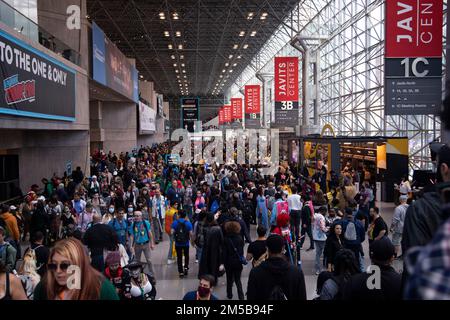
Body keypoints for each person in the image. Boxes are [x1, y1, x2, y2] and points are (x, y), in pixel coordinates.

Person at [33, 238, 119, 300]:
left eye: (65, 266)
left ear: (79, 264)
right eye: (53, 266)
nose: (58, 271)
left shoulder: (101, 288)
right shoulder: (43, 288)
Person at [247, 234, 307, 300]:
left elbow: (251, 297)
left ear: (267, 249)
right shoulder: (297, 272)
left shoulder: (255, 272)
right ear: (283, 248)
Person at [222, 220, 245, 300]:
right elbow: (241, 252)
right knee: (238, 280)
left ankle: (229, 294)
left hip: (228, 262)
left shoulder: (225, 239)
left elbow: (224, 253)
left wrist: (223, 263)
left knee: (229, 279)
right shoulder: (240, 239)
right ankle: (241, 296)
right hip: (237, 262)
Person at [198, 213, 224, 284]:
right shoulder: (218, 228)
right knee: (214, 265)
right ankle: (214, 280)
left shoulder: (204, 228)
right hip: (215, 250)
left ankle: (206, 280)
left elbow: (201, 240)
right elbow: (222, 240)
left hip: (206, 250)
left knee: (206, 266)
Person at [129, 211, 156, 277]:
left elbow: (150, 234)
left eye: (138, 216)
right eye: (135, 216)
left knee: (149, 260)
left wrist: (152, 243)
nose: (136, 217)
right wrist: (131, 246)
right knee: (137, 260)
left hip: (146, 244)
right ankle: (138, 274)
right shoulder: (133, 224)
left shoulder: (145, 223)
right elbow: (132, 236)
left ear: (141, 216)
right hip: (137, 245)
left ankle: (152, 274)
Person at [171, 210, 193, 278]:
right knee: (186, 255)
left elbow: (172, 232)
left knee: (179, 257)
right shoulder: (188, 223)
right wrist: (192, 241)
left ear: (179, 215)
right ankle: (186, 267)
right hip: (186, 243)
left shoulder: (175, 223)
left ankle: (180, 272)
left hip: (178, 243)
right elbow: (191, 234)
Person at [313, 206, 329, 275]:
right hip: (322, 237)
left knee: (318, 254)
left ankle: (317, 269)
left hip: (315, 236)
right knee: (325, 252)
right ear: (323, 211)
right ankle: (324, 268)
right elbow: (323, 228)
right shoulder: (321, 217)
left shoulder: (315, 216)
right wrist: (328, 229)